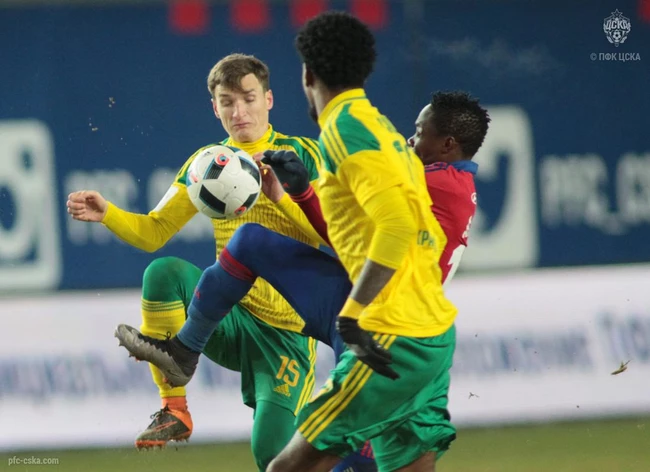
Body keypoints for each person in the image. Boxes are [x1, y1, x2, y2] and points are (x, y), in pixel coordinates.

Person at [114, 12, 490, 472]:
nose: (412, 142)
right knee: (248, 243)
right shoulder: (405, 151)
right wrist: (303, 193)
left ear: (306, 76)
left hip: (385, 323)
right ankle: (183, 359)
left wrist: (351, 314)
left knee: (290, 465)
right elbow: (355, 231)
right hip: (432, 332)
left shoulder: (351, 131)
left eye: (248, 98)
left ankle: (184, 352)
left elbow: (384, 231)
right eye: (228, 102)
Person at [66, 53, 326, 472]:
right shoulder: (207, 164)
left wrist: (281, 197)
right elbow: (154, 232)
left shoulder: (304, 155)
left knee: (273, 456)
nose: (239, 112)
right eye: (227, 102)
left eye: (249, 99)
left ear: (269, 100)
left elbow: (330, 233)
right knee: (163, 273)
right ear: (215, 108)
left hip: (287, 334)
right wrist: (108, 213)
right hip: (226, 317)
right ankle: (175, 409)